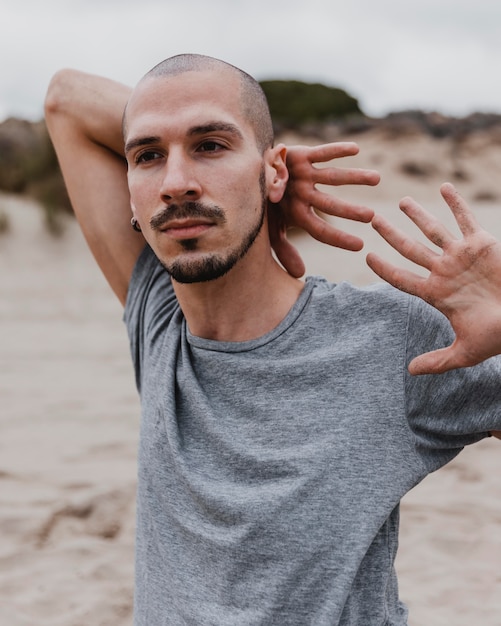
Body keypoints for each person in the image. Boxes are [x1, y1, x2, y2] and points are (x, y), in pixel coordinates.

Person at [44, 53, 501, 626]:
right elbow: (64, 99)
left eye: (211, 145)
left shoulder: (391, 336)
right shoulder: (160, 323)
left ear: (275, 174)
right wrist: (245, 158)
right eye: (148, 156)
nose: (176, 183)